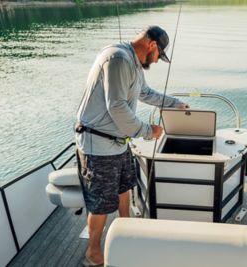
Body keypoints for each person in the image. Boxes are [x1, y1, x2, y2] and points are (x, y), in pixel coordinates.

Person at [75, 25, 189, 266]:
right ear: (152, 45)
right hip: (99, 146)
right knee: (101, 203)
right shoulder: (118, 59)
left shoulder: (134, 64)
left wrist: (175, 104)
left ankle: (125, 231)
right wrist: (147, 131)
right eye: (159, 55)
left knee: (124, 187)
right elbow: (116, 106)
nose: (157, 61)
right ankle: (93, 253)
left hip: (117, 142)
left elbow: (146, 93)